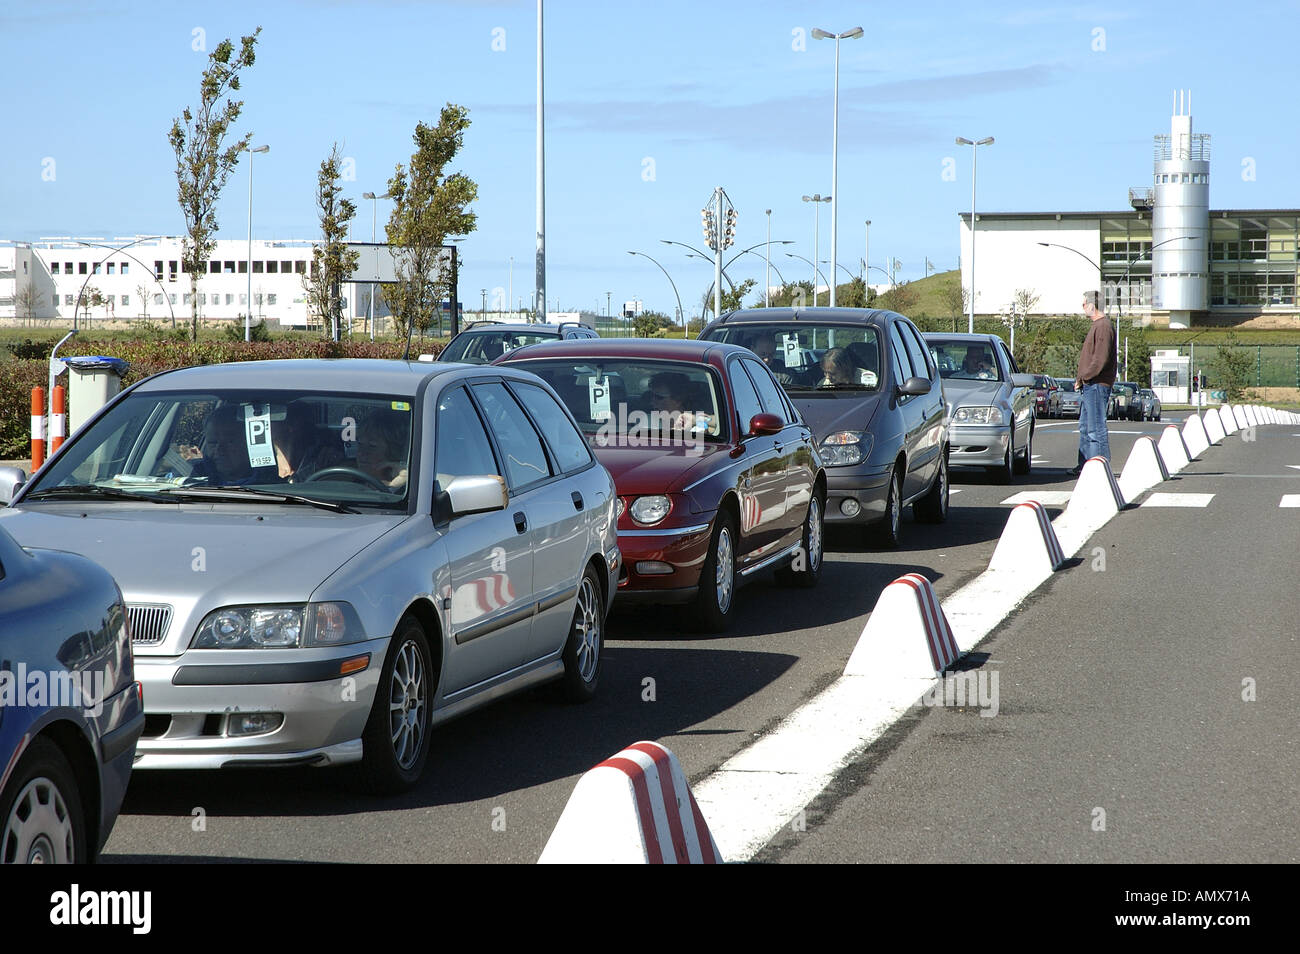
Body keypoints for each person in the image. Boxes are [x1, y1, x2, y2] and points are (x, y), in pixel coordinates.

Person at [1072, 289, 1117, 474]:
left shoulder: (1103, 327)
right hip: (1090, 384)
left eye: (1084, 304)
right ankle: (1085, 465)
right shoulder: (1097, 325)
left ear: (1092, 305)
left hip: (1097, 384)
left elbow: (1100, 359)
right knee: (1085, 427)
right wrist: (1081, 379)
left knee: (1095, 428)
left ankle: (1100, 469)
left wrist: (1085, 376)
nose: (1082, 307)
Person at [183, 404, 277, 486]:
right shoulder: (192, 476)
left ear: (250, 443)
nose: (219, 450)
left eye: (230, 442)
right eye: (213, 442)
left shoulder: (275, 483)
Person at [273, 402, 344, 483]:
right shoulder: (259, 461)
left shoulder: (322, 458)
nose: (266, 424)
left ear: (292, 426)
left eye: (274, 418)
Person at [356, 408, 411, 490]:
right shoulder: (347, 476)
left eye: (372, 446)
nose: (361, 452)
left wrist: (394, 487)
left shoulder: (406, 490)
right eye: (360, 443)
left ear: (393, 450)